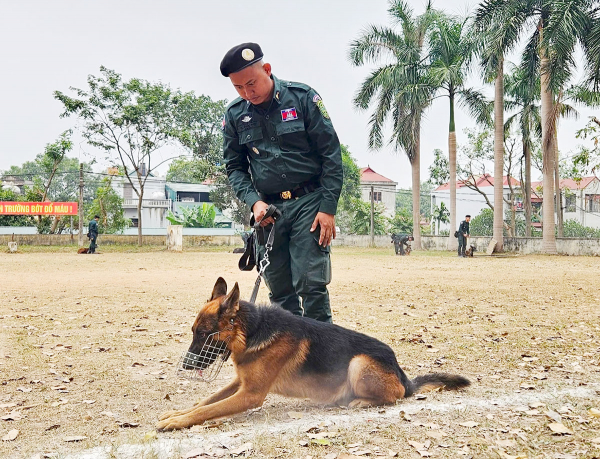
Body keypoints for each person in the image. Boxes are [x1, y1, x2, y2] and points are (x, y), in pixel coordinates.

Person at [221, 42, 343, 323]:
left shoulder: (302, 98)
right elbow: (235, 168)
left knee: (311, 284)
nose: (247, 93)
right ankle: (292, 358)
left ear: (267, 69)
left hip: (309, 204)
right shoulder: (236, 115)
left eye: (251, 84)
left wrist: (328, 208)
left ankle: (323, 359)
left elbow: (331, 156)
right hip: (269, 211)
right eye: (238, 88)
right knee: (279, 290)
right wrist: (255, 203)